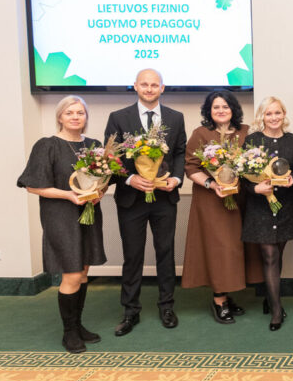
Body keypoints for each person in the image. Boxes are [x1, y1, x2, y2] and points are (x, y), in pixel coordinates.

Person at [17, 96, 107, 353]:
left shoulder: (94, 145)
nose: (75, 117)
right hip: (60, 215)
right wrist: (69, 195)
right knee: (72, 273)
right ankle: (69, 333)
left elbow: (103, 180)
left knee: (84, 272)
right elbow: (33, 186)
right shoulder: (47, 145)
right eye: (69, 112)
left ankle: (78, 325)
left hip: (88, 213)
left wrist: (98, 193)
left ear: (86, 117)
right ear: (60, 117)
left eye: (80, 112)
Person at [104, 68, 186, 336]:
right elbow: (111, 158)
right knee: (132, 256)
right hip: (131, 199)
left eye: (154, 85)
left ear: (162, 88)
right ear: (135, 86)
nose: (149, 89)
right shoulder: (118, 118)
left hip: (164, 197)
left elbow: (180, 152)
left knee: (166, 252)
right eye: (144, 84)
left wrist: (176, 178)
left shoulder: (176, 117)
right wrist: (130, 179)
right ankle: (130, 311)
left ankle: (167, 307)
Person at [182, 90, 262, 323]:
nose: (220, 110)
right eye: (215, 107)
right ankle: (219, 300)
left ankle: (227, 295)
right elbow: (191, 167)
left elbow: (254, 163)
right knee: (219, 249)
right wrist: (212, 183)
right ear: (209, 111)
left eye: (225, 106)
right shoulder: (201, 133)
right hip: (211, 201)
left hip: (240, 199)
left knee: (236, 247)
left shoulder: (245, 132)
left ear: (233, 109)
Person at [243, 97, 293, 331]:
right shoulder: (252, 141)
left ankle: (271, 298)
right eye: (269, 114)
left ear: (284, 114)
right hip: (260, 208)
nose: (274, 117)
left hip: (285, 207)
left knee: (277, 255)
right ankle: (277, 311)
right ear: (262, 116)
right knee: (269, 256)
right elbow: (242, 175)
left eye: (277, 112)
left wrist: (292, 179)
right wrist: (255, 188)